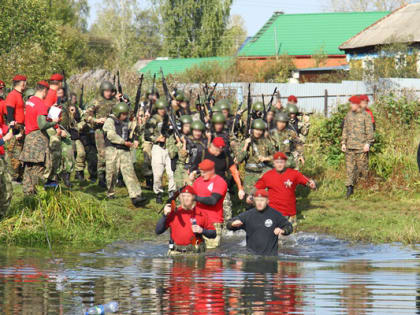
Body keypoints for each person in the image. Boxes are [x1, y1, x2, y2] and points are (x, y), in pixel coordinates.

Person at [254, 152, 316, 231]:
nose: (279, 164)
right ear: (273, 163)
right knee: (273, 238)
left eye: (281, 162)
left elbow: (307, 181)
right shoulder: (267, 175)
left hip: (290, 214)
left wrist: (312, 184)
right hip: (273, 214)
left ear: (285, 162)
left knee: (292, 240)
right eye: (277, 162)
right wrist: (250, 196)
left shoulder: (294, 173)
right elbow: (256, 188)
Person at [190, 137, 245, 223]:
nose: (219, 152)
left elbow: (234, 171)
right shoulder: (202, 154)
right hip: (204, 186)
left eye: (221, 150)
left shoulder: (225, 155)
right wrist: (192, 174)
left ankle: (227, 230)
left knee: (227, 211)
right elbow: (193, 169)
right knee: (203, 209)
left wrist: (240, 188)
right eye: (217, 150)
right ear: (212, 146)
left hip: (221, 186)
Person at [19, 81, 59, 195]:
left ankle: (27, 194)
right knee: (38, 168)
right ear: (44, 90)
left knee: (28, 167)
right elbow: (42, 124)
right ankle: (37, 194)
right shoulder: (40, 104)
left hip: (29, 138)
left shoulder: (30, 101)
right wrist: (54, 122)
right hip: (38, 139)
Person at [103, 102, 146, 206]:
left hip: (124, 150)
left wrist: (134, 139)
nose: (126, 116)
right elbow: (111, 135)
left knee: (129, 172)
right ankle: (110, 192)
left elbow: (134, 130)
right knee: (112, 173)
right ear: (118, 113)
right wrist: (123, 142)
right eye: (124, 114)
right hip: (112, 149)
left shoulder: (127, 122)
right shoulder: (110, 121)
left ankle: (135, 195)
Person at [227, 189, 293, 256]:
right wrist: (232, 224)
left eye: (262, 200)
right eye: (257, 200)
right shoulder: (248, 215)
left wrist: (283, 231)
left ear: (267, 201)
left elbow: (289, 227)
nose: (259, 203)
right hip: (251, 258)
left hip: (270, 258)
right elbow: (229, 224)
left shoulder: (275, 214)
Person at [155, 185, 216, 255]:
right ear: (180, 198)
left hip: (195, 254)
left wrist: (202, 230)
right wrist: (165, 215)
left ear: (193, 197)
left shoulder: (201, 213)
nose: (185, 199)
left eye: (188, 196)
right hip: (176, 253)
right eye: (183, 196)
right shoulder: (172, 213)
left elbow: (213, 234)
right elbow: (158, 231)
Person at [85, 81, 120, 188]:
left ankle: (113, 177)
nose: (108, 93)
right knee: (102, 154)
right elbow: (86, 116)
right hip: (100, 131)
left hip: (112, 130)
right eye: (106, 91)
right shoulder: (96, 101)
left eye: (110, 91)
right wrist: (96, 120)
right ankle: (101, 177)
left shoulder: (115, 101)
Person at [342, 95, 374, 198]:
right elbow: (345, 129)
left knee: (362, 168)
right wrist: (343, 143)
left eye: (352, 104)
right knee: (349, 169)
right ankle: (349, 188)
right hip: (349, 146)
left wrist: (368, 143)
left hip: (361, 147)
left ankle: (365, 186)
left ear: (357, 104)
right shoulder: (348, 115)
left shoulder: (366, 115)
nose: (351, 106)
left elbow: (370, 131)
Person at [144, 99, 176, 204]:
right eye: (161, 109)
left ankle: (172, 192)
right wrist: (157, 138)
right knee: (158, 174)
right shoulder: (153, 119)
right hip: (158, 148)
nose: (163, 110)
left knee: (171, 173)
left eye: (164, 108)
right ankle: (158, 193)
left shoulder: (172, 117)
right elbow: (147, 135)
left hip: (170, 148)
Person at [193, 159, 227, 249]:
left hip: (213, 222)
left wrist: (195, 197)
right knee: (195, 251)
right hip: (198, 221)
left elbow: (213, 201)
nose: (202, 175)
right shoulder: (198, 181)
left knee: (212, 254)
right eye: (201, 172)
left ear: (212, 171)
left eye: (204, 172)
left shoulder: (219, 182)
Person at [236, 118, 275, 197]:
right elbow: (238, 160)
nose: (258, 132)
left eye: (260, 130)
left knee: (264, 200)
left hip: (263, 175)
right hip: (250, 177)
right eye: (256, 129)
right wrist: (246, 145)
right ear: (252, 130)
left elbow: (276, 156)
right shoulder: (246, 142)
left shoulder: (266, 142)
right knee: (250, 202)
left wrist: (266, 158)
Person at [5, 75, 27, 182]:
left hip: (21, 127)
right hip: (16, 128)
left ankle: (19, 176)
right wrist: (15, 131)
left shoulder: (19, 95)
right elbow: (9, 115)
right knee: (14, 153)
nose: (26, 85)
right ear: (22, 83)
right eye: (25, 82)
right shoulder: (12, 95)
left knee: (20, 153)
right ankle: (13, 177)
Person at [167, 115, 193, 188]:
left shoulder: (193, 137)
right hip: (180, 169)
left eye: (189, 125)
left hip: (192, 168)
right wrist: (179, 144)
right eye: (186, 126)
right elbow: (172, 154)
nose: (188, 128)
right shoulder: (173, 138)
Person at [0, 120, 13, 218]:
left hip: (2, 158)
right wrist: (3, 140)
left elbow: (9, 131)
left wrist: (13, 127)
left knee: (7, 189)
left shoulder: (1, 124)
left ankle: (2, 215)